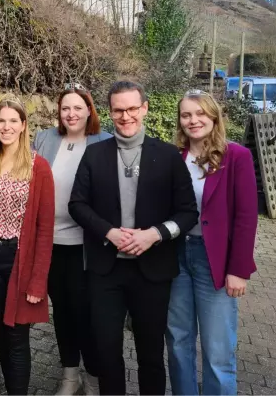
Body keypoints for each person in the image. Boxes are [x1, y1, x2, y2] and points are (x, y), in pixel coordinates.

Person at [68, 81, 198, 395]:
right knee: (107, 352)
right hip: (105, 270)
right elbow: (77, 204)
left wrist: (155, 234)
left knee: (151, 354)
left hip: (152, 271)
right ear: (110, 113)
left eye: (131, 109)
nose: (125, 116)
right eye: (118, 110)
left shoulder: (168, 156)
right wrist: (108, 232)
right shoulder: (94, 154)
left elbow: (187, 213)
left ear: (144, 108)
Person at [166, 90, 258, 395]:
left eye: (200, 113)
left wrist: (239, 269)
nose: (194, 120)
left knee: (218, 351)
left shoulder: (237, 157)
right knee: (178, 343)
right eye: (186, 115)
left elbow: (247, 217)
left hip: (215, 261)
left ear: (214, 117)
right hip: (177, 259)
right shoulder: (174, 157)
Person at [0, 94, 55, 395]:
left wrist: (38, 282)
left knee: (17, 336)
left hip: (19, 259)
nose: (6, 127)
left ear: (23, 125)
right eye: (1, 121)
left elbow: (45, 229)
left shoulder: (38, 167)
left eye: (12, 121)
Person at [32, 82, 111, 395]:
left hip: (86, 246)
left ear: (89, 109)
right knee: (62, 312)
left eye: (78, 107)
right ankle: (69, 375)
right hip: (50, 244)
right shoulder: (45, 138)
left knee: (87, 314)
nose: (71, 113)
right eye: (66, 108)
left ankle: (92, 376)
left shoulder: (104, 142)